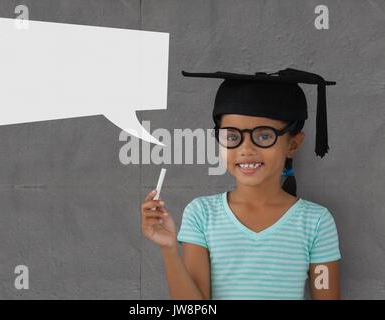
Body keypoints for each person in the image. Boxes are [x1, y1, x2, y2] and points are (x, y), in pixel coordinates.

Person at [140, 68, 341, 299]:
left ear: (293, 144)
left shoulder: (316, 222)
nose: (246, 150)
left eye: (264, 136)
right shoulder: (202, 214)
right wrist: (169, 249)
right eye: (232, 137)